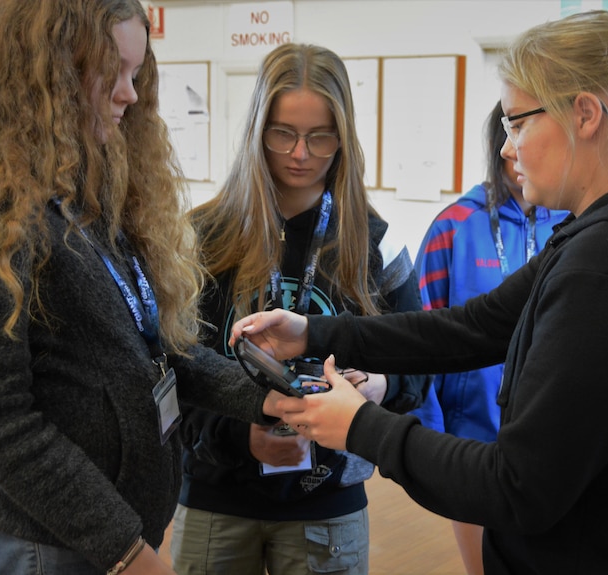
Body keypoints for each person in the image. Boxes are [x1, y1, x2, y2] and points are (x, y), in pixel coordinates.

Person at [231, 9, 608, 575]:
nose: (508, 149)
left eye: (517, 123)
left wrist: (360, 427)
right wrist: (313, 332)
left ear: (584, 115)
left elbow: (516, 487)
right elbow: (475, 327)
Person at [0, 1, 280, 575]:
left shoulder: (85, 196)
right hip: (42, 547)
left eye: (135, 74)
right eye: (110, 72)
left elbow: (154, 352)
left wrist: (268, 398)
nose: (130, 95)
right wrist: (126, 552)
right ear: (51, 70)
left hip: (109, 541)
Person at [169, 43, 431, 575]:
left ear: (344, 136)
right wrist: (241, 435)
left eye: (320, 136)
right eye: (283, 133)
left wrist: (383, 385)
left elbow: (420, 364)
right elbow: (175, 369)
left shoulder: (379, 241)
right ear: (256, 131)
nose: (300, 154)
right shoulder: (200, 236)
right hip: (216, 500)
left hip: (328, 505)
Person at [408, 100, 568, 575]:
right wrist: (427, 432)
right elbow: (423, 333)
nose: (519, 158)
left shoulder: (573, 223)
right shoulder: (454, 225)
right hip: (471, 434)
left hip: (549, 433)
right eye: (511, 142)